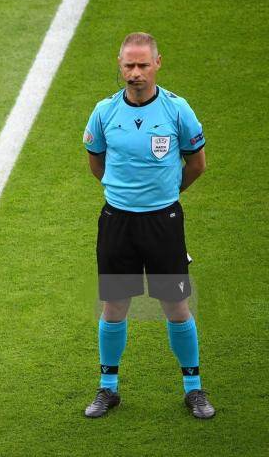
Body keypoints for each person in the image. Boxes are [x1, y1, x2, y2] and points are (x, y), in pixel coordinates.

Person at [82, 32, 214, 419]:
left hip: (163, 223)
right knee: (114, 305)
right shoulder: (104, 112)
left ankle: (193, 388)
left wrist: (165, 195)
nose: (135, 73)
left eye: (142, 65)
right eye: (129, 65)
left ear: (157, 63)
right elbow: (96, 161)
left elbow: (197, 164)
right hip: (117, 222)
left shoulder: (177, 110)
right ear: (119, 65)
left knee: (176, 305)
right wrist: (124, 194)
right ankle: (108, 388)